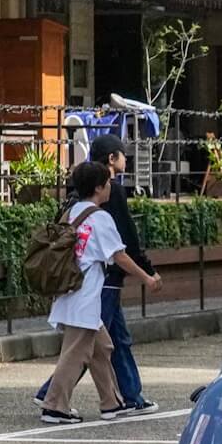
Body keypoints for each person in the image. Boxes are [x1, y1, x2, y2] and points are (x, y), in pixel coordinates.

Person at [34, 136, 158, 414]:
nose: (110, 189)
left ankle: (111, 402)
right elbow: (120, 255)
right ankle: (54, 405)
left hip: (70, 290)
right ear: (100, 188)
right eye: (107, 185)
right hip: (87, 294)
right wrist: (148, 277)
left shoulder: (73, 211)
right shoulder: (100, 218)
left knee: (103, 347)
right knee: (77, 352)